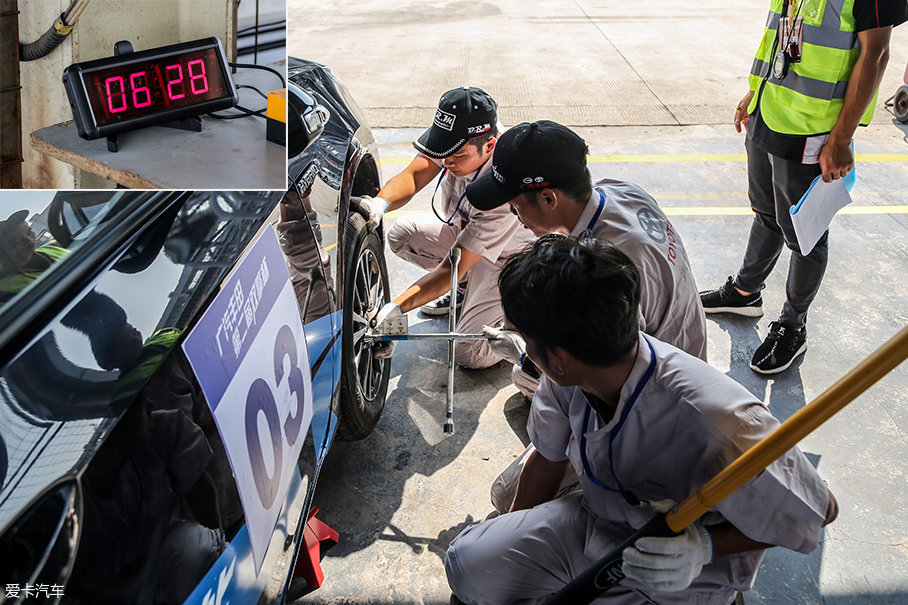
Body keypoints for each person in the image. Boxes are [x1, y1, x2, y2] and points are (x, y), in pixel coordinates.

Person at [445, 235, 837, 605]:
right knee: (468, 565)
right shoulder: (574, 371)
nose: (525, 350)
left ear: (559, 358)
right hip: (601, 519)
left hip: (679, 570)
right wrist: (512, 531)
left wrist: (705, 545)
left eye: (528, 341)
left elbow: (819, 511)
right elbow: (548, 459)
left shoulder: (715, 419)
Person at [699, 0, 907, 374]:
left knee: (805, 232)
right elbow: (780, 31)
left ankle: (794, 324)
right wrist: (754, 91)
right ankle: (745, 293)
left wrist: (841, 138)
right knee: (765, 212)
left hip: (814, 126)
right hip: (770, 108)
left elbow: (875, 55)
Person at [463, 119, 706, 398]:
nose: (516, 217)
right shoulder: (620, 190)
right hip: (684, 350)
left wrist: (523, 353)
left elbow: (612, 371)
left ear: (548, 199)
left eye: (515, 208)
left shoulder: (611, 260)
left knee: (529, 377)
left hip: (664, 390)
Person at [361, 87, 528, 368]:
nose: (447, 161)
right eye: (443, 152)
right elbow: (415, 174)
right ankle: (466, 289)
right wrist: (380, 203)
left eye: (457, 156)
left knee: (469, 354)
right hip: (466, 235)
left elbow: (452, 267)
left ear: (490, 146)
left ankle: (519, 315)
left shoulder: (504, 187)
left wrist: (397, 309)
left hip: (508, 259)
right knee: (402, 235)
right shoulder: (459, 138)